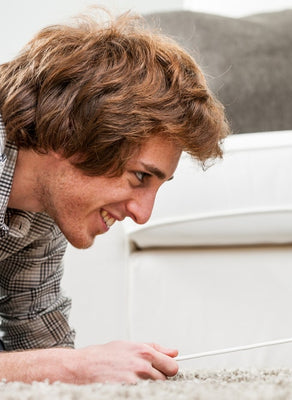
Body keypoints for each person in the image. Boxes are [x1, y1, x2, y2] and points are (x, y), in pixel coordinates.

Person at [0, 11, 229, 383]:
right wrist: (72, 367)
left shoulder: (39, 205)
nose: (143, 214)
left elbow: (38, 346)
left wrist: (77, 369)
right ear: (70, 135)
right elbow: (59, 367)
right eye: (140, 177)